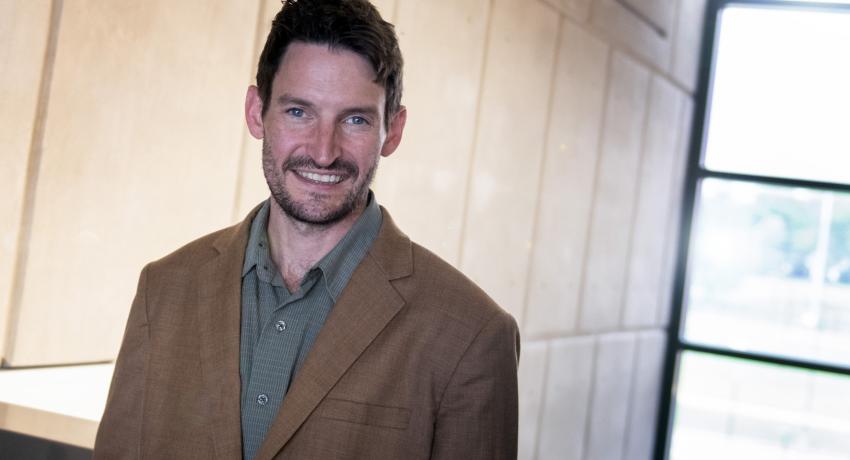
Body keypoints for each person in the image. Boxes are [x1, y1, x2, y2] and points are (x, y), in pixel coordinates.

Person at [93, 0, 519, 458]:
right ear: (257, 112)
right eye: (299, 112)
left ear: (392, 131)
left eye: (355, 119)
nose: (323, 151)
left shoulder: (472, 337)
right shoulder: (164, 289)